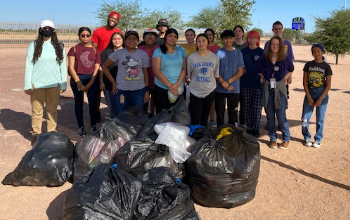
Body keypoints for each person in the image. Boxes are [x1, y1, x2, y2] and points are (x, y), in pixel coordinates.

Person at [24, 19, 67, 144]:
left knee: (51, 110)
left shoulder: (59, 46)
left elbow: (62, 65)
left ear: (53, 30)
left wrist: (63, 82)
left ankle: (50, 133)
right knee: (37, 111)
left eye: (49, 28)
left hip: (54, 84)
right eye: (45, 28)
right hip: (37, 84)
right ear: (40, 30)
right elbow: (29, 65)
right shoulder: (34, 45)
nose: (47, 30)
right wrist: (27, 84)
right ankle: (37, 135)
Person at [255, 36, 294, 149]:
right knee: (270, 116)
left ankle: (286, 138)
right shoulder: (264, 58)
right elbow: (256, 69)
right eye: (272, 44)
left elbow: (291, 69)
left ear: (280, 46)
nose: (275, 46)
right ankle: (273, 138)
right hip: (267, 89)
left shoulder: (285, 58)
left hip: (280, 89)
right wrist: (262, 75)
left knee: (281, 116)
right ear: (269, 45)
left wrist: (286, 78)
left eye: (277, 44)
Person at [102, 31, 150, 115]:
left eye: (134, 39)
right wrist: (113, 82)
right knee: (122, 114)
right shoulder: (118, 53)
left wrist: (147, 90)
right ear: (124, 41)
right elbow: (104, 67)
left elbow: (146, 73)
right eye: (129, 39)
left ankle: (136, 129)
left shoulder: (143, 54)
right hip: (122, 90)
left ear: (137, 41)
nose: (131, 41)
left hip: (139, 90)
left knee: (138, 114)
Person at [68, 27, 101, 136]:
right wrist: (78, 83)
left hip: (91, 78)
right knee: (79, 103)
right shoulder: (74, 49)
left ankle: (93, 126)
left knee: (93, 103)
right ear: (79, 36)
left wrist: (91, 82)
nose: (85, 37)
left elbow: (96, 67)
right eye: (83, 35)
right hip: (77, 78)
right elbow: (71, 68)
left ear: (90, 36)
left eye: (87, 35)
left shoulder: (95, 50)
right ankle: (81, 127)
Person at [91, 11, 123, 122]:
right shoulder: (98, 31)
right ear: (108, 18)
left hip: (115, 64)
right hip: (101, 63)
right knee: (98, 91)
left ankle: (116, 116)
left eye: (115, 19)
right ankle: (96, 114)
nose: (113, 20)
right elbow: (94, 50)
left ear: (117, 21)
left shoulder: (119, 32)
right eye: (111, 18)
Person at [301, 44, 332, 148]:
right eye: (314, 51)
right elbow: (304, 82)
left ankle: (318, 139)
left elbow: (328, 85)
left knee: (320, 119)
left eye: (318, 51)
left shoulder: (326, 66)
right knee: (305, 117)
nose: (316, 53)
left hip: (321, 93)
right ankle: (307, 137)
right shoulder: (308, 65)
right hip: (310, 92)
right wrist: (309, 97)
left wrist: (320, 99)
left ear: (322, 52)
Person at [152, 28, 188, 113]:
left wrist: (177, 85)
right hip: (162, 88)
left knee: (178, 116)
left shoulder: (181, 50)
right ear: (165, 37)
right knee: (163, 115)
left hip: (179, 88)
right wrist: (170, 86)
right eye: (170, 36)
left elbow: (184, 69)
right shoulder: (158, 51)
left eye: (175, 36)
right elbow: (156, 71)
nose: (172, 38)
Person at [187, 34, 219, 126]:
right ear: (196, 43)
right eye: (199, 41)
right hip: (195, 90)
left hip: (209, 90)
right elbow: (189, 75)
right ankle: (194, 137)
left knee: (204, 118)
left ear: (207, 42)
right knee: (195, 118)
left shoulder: (214, 57)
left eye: (204, 41)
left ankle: (203, 137)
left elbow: (215, 74)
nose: (201, 43)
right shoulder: (191, 58)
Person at [215, 30, 244, 127]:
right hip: (220, 88)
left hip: (234, 88)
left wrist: (227, 82)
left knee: (233, 112)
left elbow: (240, 71)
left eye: (230, 38)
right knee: (220, 112)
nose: (228, 40)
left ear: (234, 39)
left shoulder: (238, 53)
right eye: (225, 38)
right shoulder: (218, 53)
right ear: (222, 40)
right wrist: (222, 82)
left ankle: (232, 133)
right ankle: (220, 132)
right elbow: (215, 70)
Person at [240, 30, 264, 137]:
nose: (252, 40)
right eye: (250, 38)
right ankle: (249, 127)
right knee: (246, 106)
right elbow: (239, 65)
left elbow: (265, 66)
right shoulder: (243, 51)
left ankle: (256, 127)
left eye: (254, 38)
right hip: (245, 82)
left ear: (258, 39)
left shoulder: (261, 52)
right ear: (247, 39)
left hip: (258, 83)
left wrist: (262, 75)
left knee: (256, 107)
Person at [100, 32, 124, 119]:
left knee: (122, 106)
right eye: (114, 39)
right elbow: (101, 68)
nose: (117, 41)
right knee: (112, 106)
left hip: (124, 84)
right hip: (109, 84)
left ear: (122, 40)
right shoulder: (106, 52)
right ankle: (113, 126)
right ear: (111, 40)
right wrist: (101, 82)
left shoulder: (127, 51)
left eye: (119, 38)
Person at [138, 29, 159, 117]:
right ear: (143, 38)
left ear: (156, 38)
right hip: (143, 81)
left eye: (152, 36)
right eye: (147, 36)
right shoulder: (139, 49)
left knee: (157, 102)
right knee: (144, 102)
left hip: (157, 80)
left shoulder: (159, 49)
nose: (150, 38)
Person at [204, 28, 221, 128]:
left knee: (212, 99)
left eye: (210, 34)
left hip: (213, 77)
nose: (209, 36)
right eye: (207, 34)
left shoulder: (218, 48)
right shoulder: (201, 46)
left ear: (213, 36)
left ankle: (212, 118)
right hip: (201, 78)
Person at [233, 25, 248, 128]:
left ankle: (243, 121)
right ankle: (234, 121)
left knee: (243, 100)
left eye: (239, 31)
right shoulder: (230, 44)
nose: (237, 33)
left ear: (243, 33)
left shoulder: (247, 45)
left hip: (245, 76)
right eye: (236, 31)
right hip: (233, 76)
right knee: (234, 100)